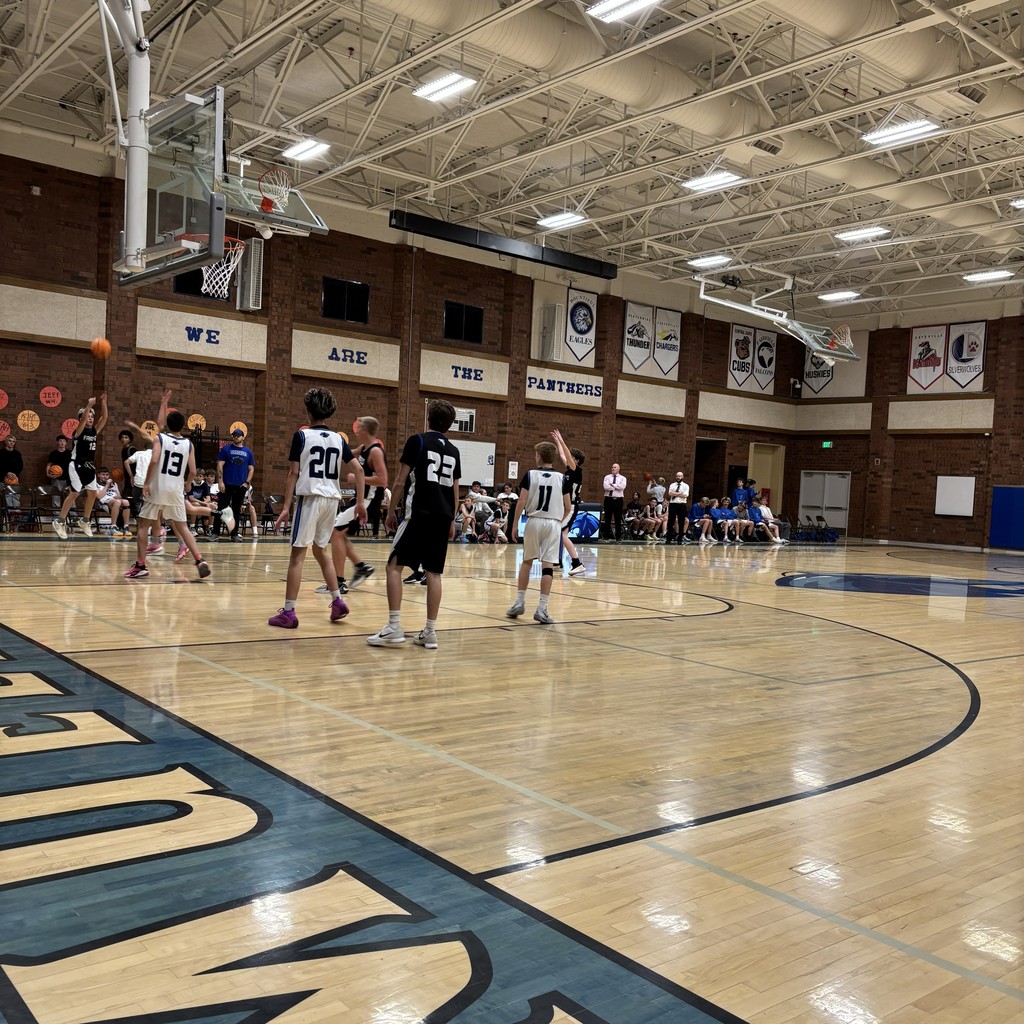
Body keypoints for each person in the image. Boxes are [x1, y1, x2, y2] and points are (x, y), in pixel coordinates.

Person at [367, 399, 461, 651]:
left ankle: (394, 627)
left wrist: (389, 511)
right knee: (434, 573)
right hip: (442, 517)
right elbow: (455, 488)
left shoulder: (417, 441)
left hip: (419, 514)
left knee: (393, 567)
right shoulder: (454, 450)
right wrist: (452, 519)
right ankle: (430, 631)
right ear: (450, 424)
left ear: (428, 417)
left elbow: (399, 481)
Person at [268, 388, 364, 628]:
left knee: (297, 555)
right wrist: (360, 503)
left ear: (308, 410)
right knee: (321, 551)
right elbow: (359, 471)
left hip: (310, 498)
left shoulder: (302, 436)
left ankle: (289, 612)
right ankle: (337, 600)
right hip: (333, 500)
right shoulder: (339, 439)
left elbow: (293, 473)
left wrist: (286, 507)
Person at [124, 410, 210, 580]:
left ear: (167, 425)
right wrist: (187, 483)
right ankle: (200, 560)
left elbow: (154, 461)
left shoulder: (160, 439)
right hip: (176, 490)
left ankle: (140, 565)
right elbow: (192, 470)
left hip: (158, 488)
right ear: (183, 426)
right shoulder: (189, 444)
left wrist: (147, 483)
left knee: (142, 525)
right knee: (183, 527)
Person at [506, 441, 571, 624]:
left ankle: (519, 602)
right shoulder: (561, 478)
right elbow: (568, 507)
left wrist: (514, 524)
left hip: (533, 521)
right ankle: (542, 609)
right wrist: (559, 520)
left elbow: (521, 501)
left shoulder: (530, 474)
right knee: (548, 565)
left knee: (527, 561)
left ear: (538, 457)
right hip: (553, 523)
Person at [323, 416, 387, 594]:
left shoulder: (375, 452)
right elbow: (348, 454)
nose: (356, 430)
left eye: (358, 428)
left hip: (369, 502)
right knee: (339, 534)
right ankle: (360, 567)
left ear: (365, 430)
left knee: (335, 533)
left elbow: (383, 480)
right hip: (362, 500)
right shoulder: (364, 448)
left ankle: (339, 582)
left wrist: (358, 477)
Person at [54, 394, 108, 539]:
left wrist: (104, 402)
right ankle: (60, 521)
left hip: (89, 466)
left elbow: (105, 418)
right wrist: (89, 406)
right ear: (81, 418)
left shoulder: (94, 431)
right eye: (88, 415)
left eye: (92, 416)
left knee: (92, 494)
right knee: (75, 493)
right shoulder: (78, 432)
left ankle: (85, 521)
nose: (90, 418)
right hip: (76, 464)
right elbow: (83, 419)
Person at [550, 429, 586, 576]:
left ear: (576, 460)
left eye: (571, 457)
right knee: (559, 533)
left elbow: (567, 455)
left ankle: (577, 563)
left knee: (561, 533)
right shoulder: (569, 469)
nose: (568, 457)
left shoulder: (576, 470)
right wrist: (557, 441)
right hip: (565, 505)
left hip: (571, 506)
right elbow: (562, 454)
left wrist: (563, 441)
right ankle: (558, 562)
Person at [216, 428, 255, 541]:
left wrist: (246, 483)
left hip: (240, 486)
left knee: (236, 511)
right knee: (221, 509)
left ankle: (234, 534)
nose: (236, 437)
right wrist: (220, 481)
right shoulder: (226, 449)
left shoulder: (248, 452)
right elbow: (219, 465)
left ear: (243, 437)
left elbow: (251, 469)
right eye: (234, 435)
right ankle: (215, 532)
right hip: (226, 484)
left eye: (238, 435)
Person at [602, 462, 626, 541]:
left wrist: (612, 485)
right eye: (612, 467)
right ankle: (606, 536)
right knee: (607, 518)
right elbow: (605, 487)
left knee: (617, 518)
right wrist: (615, 487)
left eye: (615, 467)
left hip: (618, 500)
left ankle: (618, 537)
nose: (613, 468)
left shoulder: (623, 478)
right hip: (608, 499)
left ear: (619, 469)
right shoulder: (607, 477)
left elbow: (622, 487)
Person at [665, 471, 690, 544]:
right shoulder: (672, 485)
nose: (678, 477)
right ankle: (669, 538)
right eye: (677, 476)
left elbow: (685, 495)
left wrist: (675, 494)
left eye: (679, 476)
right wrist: (679, 493)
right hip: (673, 504)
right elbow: (670, 493)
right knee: (670, 521)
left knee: (681, 521)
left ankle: (680, 538)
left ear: (682, 477)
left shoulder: (686, 486)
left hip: (681, 504)